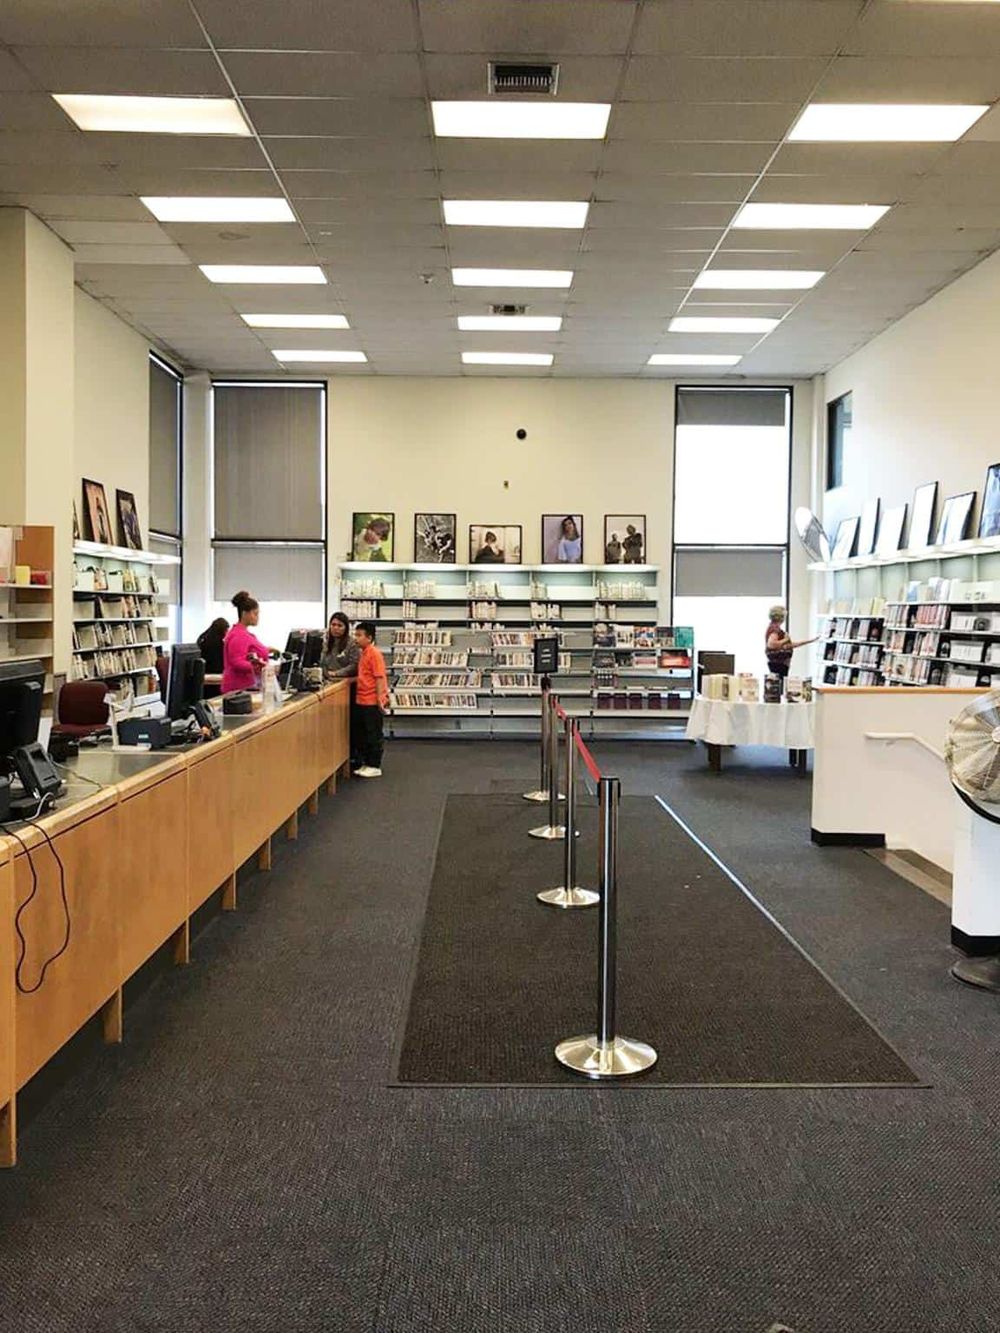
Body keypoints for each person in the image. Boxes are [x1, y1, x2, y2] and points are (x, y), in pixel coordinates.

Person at [322, 612, 363, 770]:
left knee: (349, 723)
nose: (336, 628)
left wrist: (336, 674)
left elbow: (354, 665)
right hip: (329, 685)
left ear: (346, 628)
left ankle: (352, 756)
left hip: (347, 687)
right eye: (333, 624)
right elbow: (322, 661)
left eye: (339, 625)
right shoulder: (326, 642)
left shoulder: (352, 644)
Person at [353, 621, 390, 778]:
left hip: (371, 700)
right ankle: (366, 763)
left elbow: (379, 677)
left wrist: (381, 699)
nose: (356, 638)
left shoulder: (374, 654)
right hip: (362, 699)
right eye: (356, 635)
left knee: (373, 733)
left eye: (359, 635)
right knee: (364, 734)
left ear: (369, 637)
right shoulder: (364, 653)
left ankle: (375, 765)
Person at [222, 591, 273, 694]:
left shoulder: (245, 634)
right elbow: (236, 662)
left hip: (248, 687)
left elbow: (248, 653)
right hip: (238, 690)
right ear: (245, 613)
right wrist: (259, 666)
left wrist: (267, 650)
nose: (257, 617)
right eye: (255, 613)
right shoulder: (238, 635)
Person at [765, 604, 816, 681]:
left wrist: (808, 641)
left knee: (780, 685)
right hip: (778, 664)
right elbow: (771, 644)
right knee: (779, 685)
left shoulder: (775, 629)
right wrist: (785, 639)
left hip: (781, 664)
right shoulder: (775, 630)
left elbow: (788, 646)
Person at [196, 616, 228, 699]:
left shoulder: (202, 638)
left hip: (203, 676)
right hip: (213, 681)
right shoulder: (218, 643)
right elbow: (220, 664)